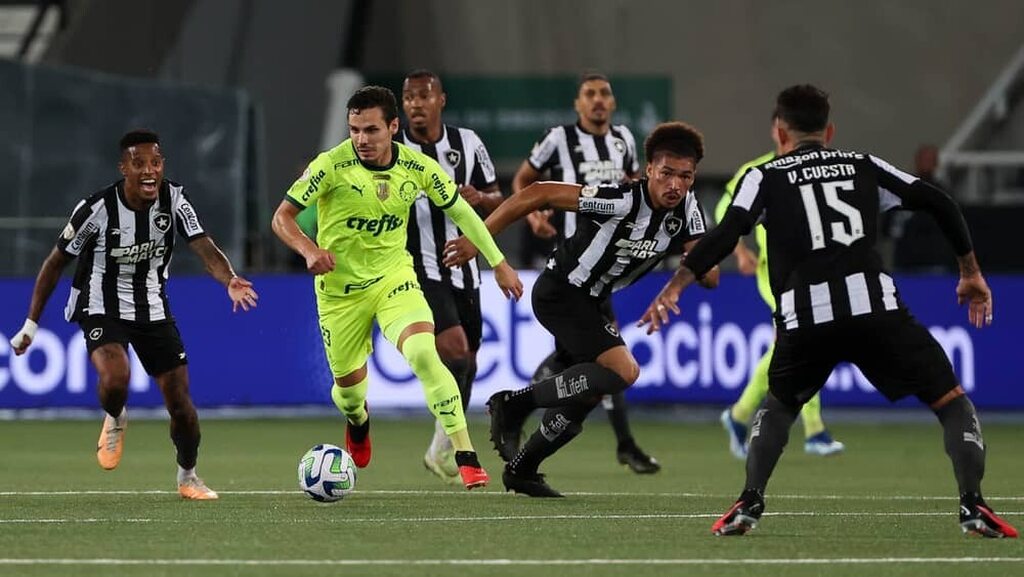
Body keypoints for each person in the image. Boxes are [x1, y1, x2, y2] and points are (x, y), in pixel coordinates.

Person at [640, 85, 1017, 539]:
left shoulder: (765, 175)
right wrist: (970, 271)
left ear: (779, 132)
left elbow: (728, 231)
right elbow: (940, 202)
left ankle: (749, 499)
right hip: (874, 308)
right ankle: (973, 505)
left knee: (778, 408)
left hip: (804, 316)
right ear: (829, 130)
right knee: (952, 402)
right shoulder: (863, 165)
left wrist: (677, 284)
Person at [271, 85, 523, 491]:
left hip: (395, 279)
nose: (361, 140)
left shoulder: (417, 166)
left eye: (370, 130)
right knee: (349, 395)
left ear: (392, 127)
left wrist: (500, 263)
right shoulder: (330, 165)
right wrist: (308, 248)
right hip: (341, 293)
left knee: (425, 353)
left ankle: (465, 456)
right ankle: (358, 421)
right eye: (354, 130)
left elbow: (461, 211)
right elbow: (282, 217)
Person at [445, 122, 718, 496]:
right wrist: (479, 240)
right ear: (649, 169)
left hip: (593, 302)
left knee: (587, 396)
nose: (675, 185)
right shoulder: (620, 198)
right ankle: (513, 404)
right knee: (624, 370)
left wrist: (675, 286)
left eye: (685, 176)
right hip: (560, 292)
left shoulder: (688, 210)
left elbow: (711, 272)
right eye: (666, 173)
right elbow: (538, 192)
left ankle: (523, 470)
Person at [8, 130, 258, 500]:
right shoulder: (95, 210)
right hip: (100, 303)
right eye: (138, 164)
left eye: (155, 163)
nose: (148, 171)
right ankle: (116, 415)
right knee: (115, 378)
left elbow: (203, 245)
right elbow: (54, 262)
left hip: (152, 306)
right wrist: (31, 324)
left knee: (181, 406)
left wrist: (230, 279)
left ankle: (188, 476)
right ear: (123, 168)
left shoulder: (174, 199)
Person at [511, 72, 660, 474]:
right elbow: (525, 180)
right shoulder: (558, 138)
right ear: (578, 104)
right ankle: (624, 443)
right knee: (608, 357)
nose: (598, 100)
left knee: (579, 356)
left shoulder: (625, 140)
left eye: (604, 94)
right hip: (572, 265)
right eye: (589, 94)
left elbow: (635, 187)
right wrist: (535, 216)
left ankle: (521, 403)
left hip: (607, 266)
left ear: (612, 103)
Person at [400, 69, 505, 484]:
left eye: (423, 96)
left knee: (469, 361)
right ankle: (461, 452)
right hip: (416, 266)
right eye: (408, 98)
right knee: (457, 351)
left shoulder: (468, 144)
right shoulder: (394, 150)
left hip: (466, 269)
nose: (415, 104)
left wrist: (481, 198)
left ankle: (438, 448)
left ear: (440, 100)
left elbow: (499, 197)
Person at [717, 145, 845, 459]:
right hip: (775, 273)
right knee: (804, 340)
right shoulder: (758, 170)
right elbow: (724, 209)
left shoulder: (818, 168)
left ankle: (739, 414)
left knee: (795, 343)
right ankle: (814, 429)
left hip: (810, 271)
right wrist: (740, 251)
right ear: (779, 131)